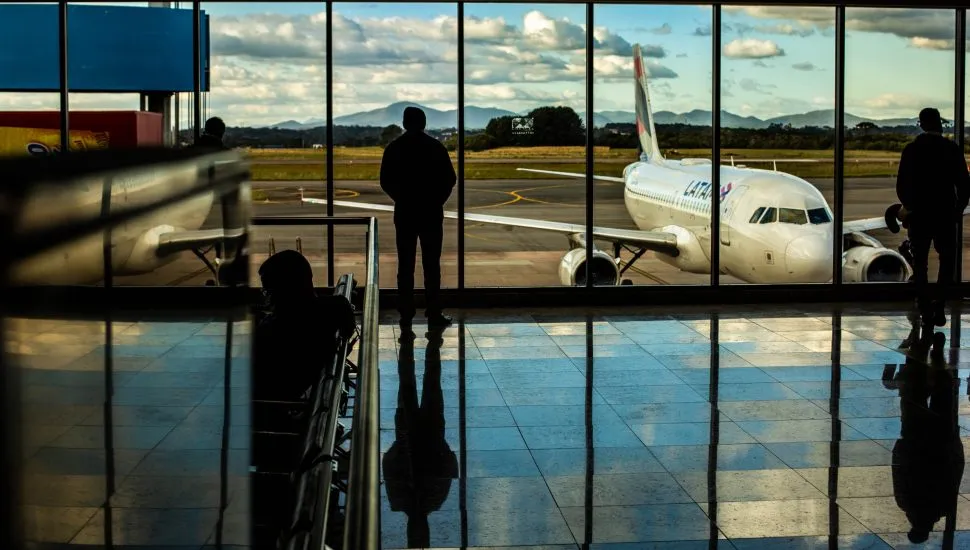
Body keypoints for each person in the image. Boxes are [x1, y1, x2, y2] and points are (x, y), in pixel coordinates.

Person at [379, 106, 457, 328]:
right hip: (431, 213)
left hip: (405, 213)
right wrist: (436, 201)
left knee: (405, 265)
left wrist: (402, 199)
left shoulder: (393, 149)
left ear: (404, 123)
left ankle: (406, 313)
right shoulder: (435, 147)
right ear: (423, 123)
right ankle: (433, 312)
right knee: (432, 265)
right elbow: (450, 179)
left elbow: (385, 181)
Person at [884, 330, 963, 545]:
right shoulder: (906, 503)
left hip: (942, 443)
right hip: (914, 442)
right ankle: (920, 355)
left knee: (942, 398)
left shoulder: (944, 506)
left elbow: (955, 473)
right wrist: (899, 448)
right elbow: (898, 472)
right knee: (914, 397)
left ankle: (937, 359)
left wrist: (956, 446)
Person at [381, 327, 458, 547]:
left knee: (427, 383)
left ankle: (425, 343)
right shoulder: (401, 500)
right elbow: (388, 465)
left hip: (427, 435)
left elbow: (451, 467)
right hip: (421, 435)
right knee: (416, 383)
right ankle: (416, 344)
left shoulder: (430, 500)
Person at [895, 107, 970, 328]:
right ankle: (940, 304)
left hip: (919, 216)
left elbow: (902, 185)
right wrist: (958, 210)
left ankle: (924, 305)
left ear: (921, 124)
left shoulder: (911, 150)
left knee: (920, 264)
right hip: (945, 214)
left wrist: (910, 207)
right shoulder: (952, 149)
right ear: (940, 124)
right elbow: (964, 185)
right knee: (946, 262)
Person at [252, 250, 356, 401]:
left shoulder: (274, 333)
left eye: (268, 291)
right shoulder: (334, 308)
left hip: (268, 404)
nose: (267, 297)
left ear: (282, 292)